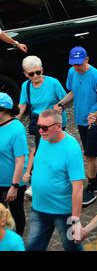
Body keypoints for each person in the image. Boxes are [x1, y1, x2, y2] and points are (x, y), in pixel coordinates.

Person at [26, 109, 84, 251]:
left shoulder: (71, 149)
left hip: (63, 212)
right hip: (38, 208)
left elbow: (78, 187)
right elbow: (34, 154)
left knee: (72, 248)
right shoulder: (43, 138)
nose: (40, 131)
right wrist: (28, 172)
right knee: (33, 247)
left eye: (44, 127)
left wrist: (75, 221)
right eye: (38, 126)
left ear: (58, 126)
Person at [55, 47, 97, 208]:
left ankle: (90, 188)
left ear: (87, 59)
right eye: (73, 63)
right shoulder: (72, 72)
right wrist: (61, 103)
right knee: (90, 154)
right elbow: (72, 92)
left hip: (94, 121)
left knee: (89, 156)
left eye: (79, 63)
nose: (76, 66)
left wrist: (96, 113)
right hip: (80, 120)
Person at [17, 55, 68, 151]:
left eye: (38, 72)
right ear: (26, 74)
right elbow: (22, 104)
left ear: (42, 70)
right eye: (31, 74)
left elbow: (66, 100)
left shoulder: (53, 83)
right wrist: (16, 118)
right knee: (42, 148)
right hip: (39, 122)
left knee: (54, 149)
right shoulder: (25, 85)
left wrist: (60, 106)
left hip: (54, 121)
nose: (35, 75)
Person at [0, 93, 27, 236]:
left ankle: (17, 240)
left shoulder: (17, 130)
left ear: (4, 110)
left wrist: (14, 187)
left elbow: (20, 161)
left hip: (12, 182)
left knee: (16, 212)